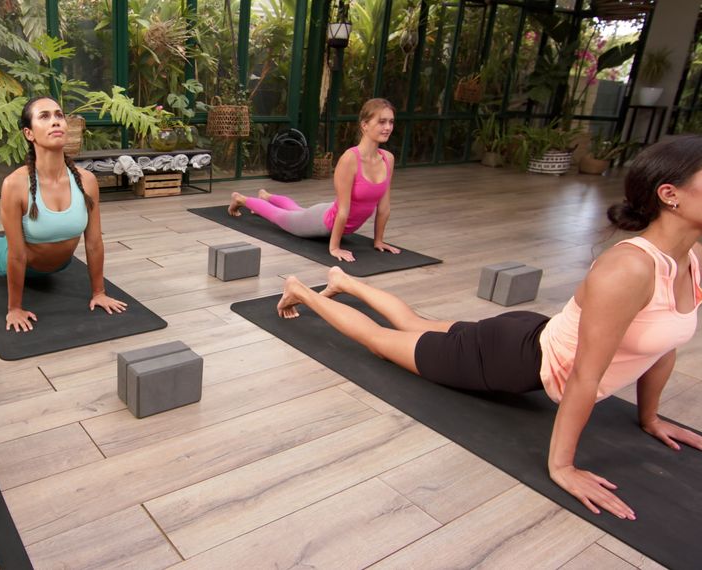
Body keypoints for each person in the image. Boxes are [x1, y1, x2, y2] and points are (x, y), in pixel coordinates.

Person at [275, 135, 702, 520]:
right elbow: (585, 377)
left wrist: (651, 420)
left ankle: (344, 281)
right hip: (508, 361)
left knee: (415, 323)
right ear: (670, 195)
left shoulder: (691, 261)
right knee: (380, 342)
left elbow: (663, 346)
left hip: (526, 336)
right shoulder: (628, 268)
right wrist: (562, 467)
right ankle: (304, 290)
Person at [0, 96, 126, 332]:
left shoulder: (86, 181)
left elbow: (94, 243)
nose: (55, 121)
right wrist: (14, 308)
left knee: (5, 239)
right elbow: (16, 256)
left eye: (59, 115)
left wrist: (99, 292)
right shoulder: (14, 185)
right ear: (29, 134)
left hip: (61, 264)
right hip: (16, 261)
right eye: (44, 116)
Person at [227, 98, 401, 262]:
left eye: (391, 122)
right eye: (381, 121)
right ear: (364, 125)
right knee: (281, 216)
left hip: (331, 214)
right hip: (325, 222)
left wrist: (379, 241)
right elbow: (343, 210)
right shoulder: (350, 159)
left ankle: (266, 196)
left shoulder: (387, 159)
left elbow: (384, 207)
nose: (388, 127)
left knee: (296, 210)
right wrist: (334, 248)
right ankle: (240, 199)